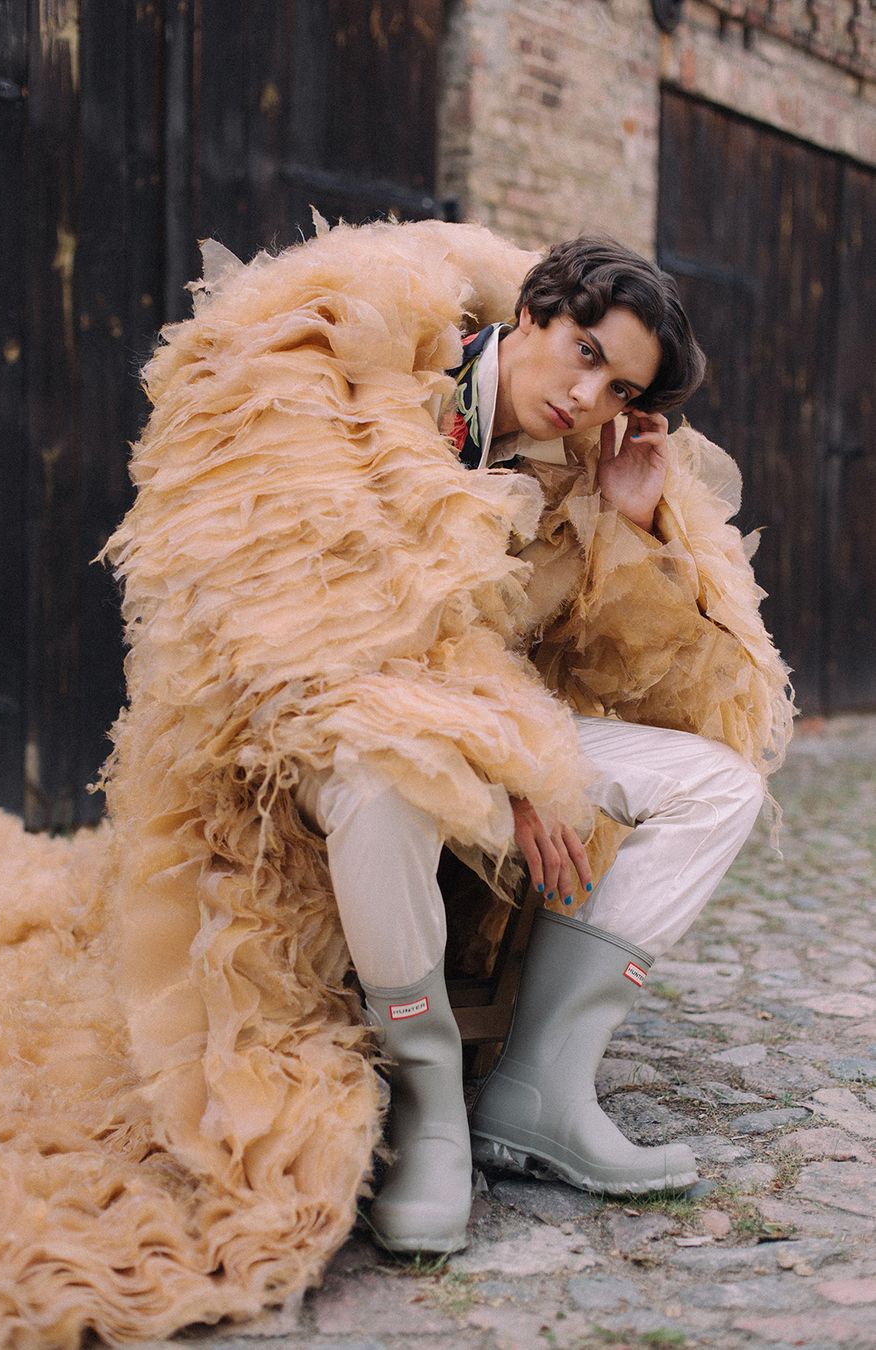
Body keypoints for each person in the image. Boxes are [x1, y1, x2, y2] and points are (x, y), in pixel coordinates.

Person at [291, 236, 778, 1255]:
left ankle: (541, 1085)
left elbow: (576, 660)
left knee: (717, 787)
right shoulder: (396, 390)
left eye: (621, 389)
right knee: (392, 777)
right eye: (586, 352)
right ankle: (430, 1107)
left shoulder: (574, 464)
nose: (588, 396)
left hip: (500, 723)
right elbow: (352, 629)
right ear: (533, 313)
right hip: (335, 711)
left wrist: (625, 522)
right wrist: (514, 765)